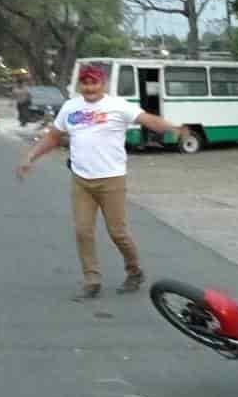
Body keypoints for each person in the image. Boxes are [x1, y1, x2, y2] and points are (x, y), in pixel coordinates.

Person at [16, 64, 189, 301]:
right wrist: (31, 156)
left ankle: (134, 271)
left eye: (94, 83)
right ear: (80, 86)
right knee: (82, 231)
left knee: (118, 233)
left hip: (112, 180)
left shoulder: (117, 106)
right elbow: (54, 137)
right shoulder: (70, 107)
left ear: (103, 84)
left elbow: (148, 120)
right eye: (85, 84)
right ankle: (92, 279)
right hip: (81, 181)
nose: (89, 88)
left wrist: (172, 128)